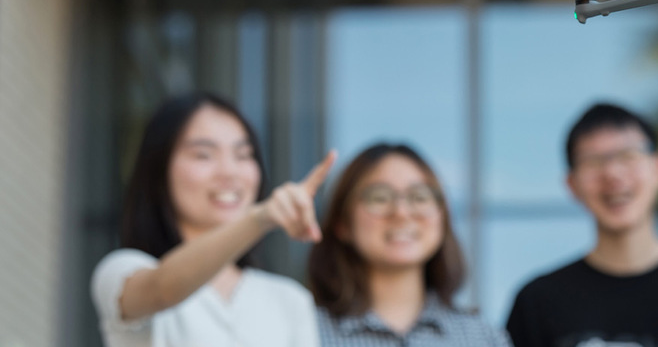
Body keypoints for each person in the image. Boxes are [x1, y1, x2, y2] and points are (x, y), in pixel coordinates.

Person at [90, 92, 331, 347]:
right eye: (203, 155)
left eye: (243, 155)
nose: (229, 172)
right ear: (159, 170)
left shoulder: (290, 300)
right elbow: (164, 289)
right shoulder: (121, 271)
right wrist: (258, 220)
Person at [506, 103, 658, 347]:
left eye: (628, 156)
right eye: (593, 161)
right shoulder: (538, 302)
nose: (612, 173)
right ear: (572, 184)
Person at [307, 143, 511, 346]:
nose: (402, 213)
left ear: (443, 218)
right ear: (342, 223)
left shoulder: (483, 337)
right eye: (379, 198)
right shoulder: (306, 333)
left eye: (420, 197)